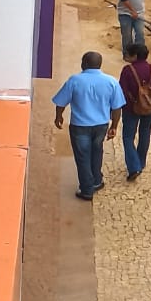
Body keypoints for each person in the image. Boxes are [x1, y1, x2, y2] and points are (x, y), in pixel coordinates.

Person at [52, 51, 126, 201]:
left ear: (83, 64)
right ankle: (97, 180)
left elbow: (61, 102)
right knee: (97, 151)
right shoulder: (111, 82)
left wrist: (58, 116)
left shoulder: (74, 80)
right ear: (100, 64)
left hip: (80, 126)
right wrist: (114, 126)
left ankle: (86, 190)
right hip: (101, 125)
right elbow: (117, 107)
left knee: (82, 156)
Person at [118, 43, 151, 181]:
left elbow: (121, 91)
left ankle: (134, 167)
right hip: (150, 108)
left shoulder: (127, 71)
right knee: (145, 133)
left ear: (134, 56)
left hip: (130, 108)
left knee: (128, 137)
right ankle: (141, 162)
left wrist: (115, 108)